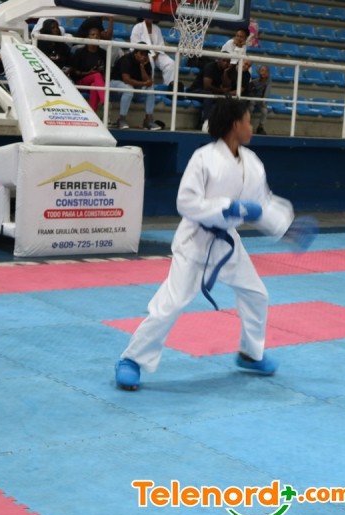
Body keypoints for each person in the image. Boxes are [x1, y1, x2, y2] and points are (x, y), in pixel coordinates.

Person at [114, 97, 296, 391]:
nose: (251, 126)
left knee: (256, 294)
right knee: (171, 304)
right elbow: (186, 202)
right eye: (248, 121)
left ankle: (250, 354)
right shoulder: (203, 158)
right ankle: (131, 359)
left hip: (227, 242)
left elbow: (262, 203)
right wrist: (228, 207)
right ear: (235, 125)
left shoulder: (252, 162)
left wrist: (285, 226)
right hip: (195, 241)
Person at [108, 46, 161, 130]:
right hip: (115, 84)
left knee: (150, 90)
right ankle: (121, 119)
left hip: (134, 87)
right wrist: (144, 83)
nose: (144, 56)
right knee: (128, 89)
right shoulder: (126, 59)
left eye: (145, 54)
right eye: (141, 53)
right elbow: (126, 79)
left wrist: (142, 67)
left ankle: (148, 120)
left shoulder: (146, 62)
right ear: (135, 53)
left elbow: (149, 82)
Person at [188, 53, 233, 132]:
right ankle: (206, 122)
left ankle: (221, 124)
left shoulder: (226, 70)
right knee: (209, 95)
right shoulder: (210, 67)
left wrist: (225, 72)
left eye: (228, 61)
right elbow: (207, 86)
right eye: (224, 60)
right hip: (196, 90)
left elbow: (227, 86)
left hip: (211, 93)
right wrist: (221, 90)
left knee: (225, 98)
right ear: (218, 60)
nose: (226, 63)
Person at [129, 18, 176, 89]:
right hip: (143, 54)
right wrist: (148, 56)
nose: (150, 18)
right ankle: (150, 87)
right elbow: (134, 46)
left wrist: (156, 54)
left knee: (171, 63)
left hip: (157, 54)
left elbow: (161, 45)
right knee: (150, 60)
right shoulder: (137, 27)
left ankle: (168, 87)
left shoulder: (157, 28)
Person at [69, 26, 108, 113]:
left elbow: (106, 71)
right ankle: (105, 102)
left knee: (94, 85)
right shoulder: (80, 52)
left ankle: (93, 113)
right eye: (93, 34)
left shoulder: (103, 53)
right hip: (81, 80)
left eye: (98, 35)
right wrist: (88, 73)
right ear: (88, 37)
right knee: (96, 75)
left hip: (97, 82)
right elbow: (74, 71)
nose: (96, 36)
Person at [247, 64, 271, 135]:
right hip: (253, 99)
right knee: (250, 107)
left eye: (265, 71)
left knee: (265, 111)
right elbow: (249, 92)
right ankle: (247, 124)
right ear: (259, 72)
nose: (264, 73)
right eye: (262, 70)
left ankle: (260, 127)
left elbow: (267, 93)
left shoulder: (268, 82)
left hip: (261, 100)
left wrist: (263, 102)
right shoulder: (254, 82)